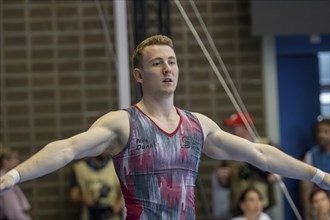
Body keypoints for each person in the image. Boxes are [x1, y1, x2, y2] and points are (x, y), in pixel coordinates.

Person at [0, 35, 329, 220]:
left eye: (172, 61)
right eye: (157, 63)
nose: (167, 68)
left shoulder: (198, 125)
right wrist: (14, 176)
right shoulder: (123, 123)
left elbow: (260, 154)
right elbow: (68, 148)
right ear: (139, 75)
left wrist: (320, 176)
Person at [215, 112, 277, 215]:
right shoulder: (228, 150)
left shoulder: (265, 144)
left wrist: (273, 175)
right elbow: (225, 184)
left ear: (246, 127)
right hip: (239, 207)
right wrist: (222, 178)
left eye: (235, 127)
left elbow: (281, 170)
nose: (232, 131)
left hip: (263, 206)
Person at [70, 148, 123, 220]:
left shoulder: (116, 166)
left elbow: (126, 196)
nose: (107, 150)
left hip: (111, 215)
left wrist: (114, 209)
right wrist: (82, 199)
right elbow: (74, 197)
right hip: (89, 215)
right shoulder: (79, 168)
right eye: (103, 147)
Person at [301, 118, 330, 220]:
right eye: (319, 131)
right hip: (318, 202)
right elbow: (305, 186)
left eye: (326, 132)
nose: (321, 135)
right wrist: (307, 212)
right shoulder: (311, 154)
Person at [0, 146, 31, 220]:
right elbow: (12, 209)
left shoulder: (8, 176)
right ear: (5, 161)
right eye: (15, 159)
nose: (18, 162)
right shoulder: (5, 180)